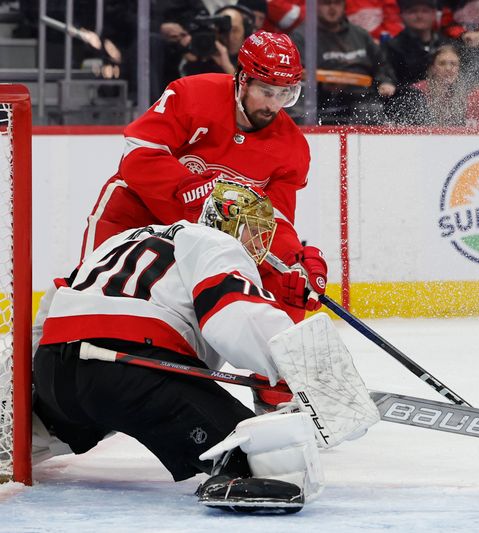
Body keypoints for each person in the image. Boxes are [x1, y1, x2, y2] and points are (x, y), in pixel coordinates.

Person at [32, 179, 376, 512]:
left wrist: (33, 382)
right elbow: (236, 317)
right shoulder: (215, 242)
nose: (255, 241)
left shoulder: (123, 240)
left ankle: (22, 440)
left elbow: (51, 304)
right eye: (250, 229)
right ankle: (234, 473)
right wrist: (310, 373)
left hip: (55, 371)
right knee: (267, 454)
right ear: (223, 222)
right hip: (129, 368)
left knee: (54, 424)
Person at [76, 30, 325, 325]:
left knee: (287, 288)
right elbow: (138, 154)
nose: (274, 105)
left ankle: (277, 368)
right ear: (242, 79)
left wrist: (294, 262)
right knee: (88, 309)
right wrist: (188, 187)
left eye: (286, 94)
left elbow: (272, 222)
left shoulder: (291, 148)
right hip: (136, 213)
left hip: (200, 243)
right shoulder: (194, 94)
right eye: (267, 91)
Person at [292, 0, 397, 125]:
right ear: (315, 7)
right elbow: (296, 73)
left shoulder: (360, 35)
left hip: (362, 95)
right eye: (326, 3)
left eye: (337, 3)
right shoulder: (301, 36)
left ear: (343, 6)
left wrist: (385, 82)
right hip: (319, 97)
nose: (332, 8)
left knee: (380, 107)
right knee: (298, 107)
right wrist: (319, 85)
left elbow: (381, 65)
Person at [387, 43, 469, 126]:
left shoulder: (464, 94)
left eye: (453, 64)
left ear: (459, 68)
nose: (448, 68)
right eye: (442, 63)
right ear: (433, 67)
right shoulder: (416, 91)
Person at [382, 0, 446, 90]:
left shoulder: (446, 44)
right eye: (413, 11)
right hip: (407, 98)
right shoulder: (391, 47)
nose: (419, 16)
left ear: (434, 14)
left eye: (425, 11)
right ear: (402, 15)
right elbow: (388, 81)